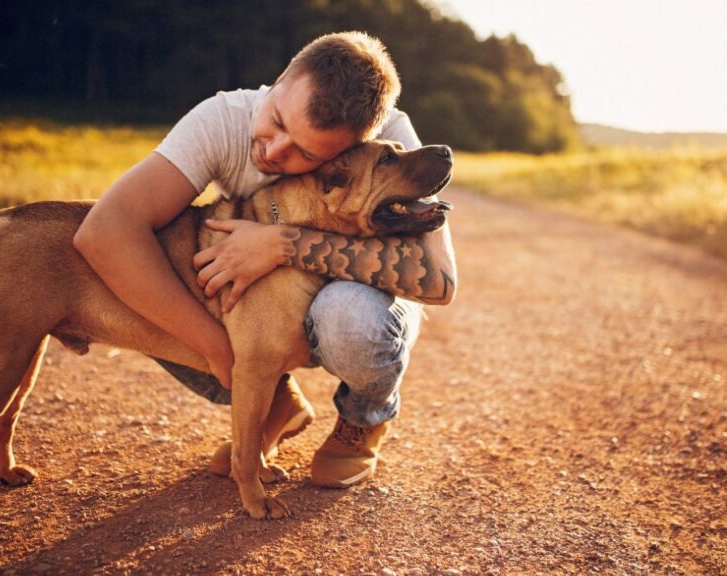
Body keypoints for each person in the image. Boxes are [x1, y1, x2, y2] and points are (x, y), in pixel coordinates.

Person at [74, 31, 456, 488]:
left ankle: (364, 415)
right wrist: (219, 348)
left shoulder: (387, 141)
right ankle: (277, 401)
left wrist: (282, 244)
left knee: (348, 314)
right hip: (262, 308)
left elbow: (440, 283)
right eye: (277, 119)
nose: (273, 150)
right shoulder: (222, 121)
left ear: (348, 150)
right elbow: (106, 231)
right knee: (161, 266)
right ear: (280, 80)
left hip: (352, 302)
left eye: (306, 152)